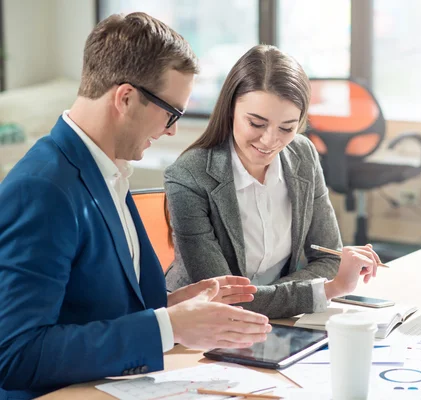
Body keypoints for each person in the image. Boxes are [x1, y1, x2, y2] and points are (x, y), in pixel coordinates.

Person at [0, 13, 271, 399]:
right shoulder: (42, 189)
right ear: (125, 98)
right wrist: (169, 327)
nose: (173, 130)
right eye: (171, 113)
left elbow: (92, 305)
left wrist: (178, 306)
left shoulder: (107, 168)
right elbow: (16, 354)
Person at [164, 44, 381, 319]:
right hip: (198, 331)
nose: (270, 141)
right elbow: (225, 299)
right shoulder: (189, 175)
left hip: (280, 324)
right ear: (230, 108)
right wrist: (327, 289)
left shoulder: (303, 154)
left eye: (287, 128)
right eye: (256, 123)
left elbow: (328, 259)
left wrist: (275, 299)